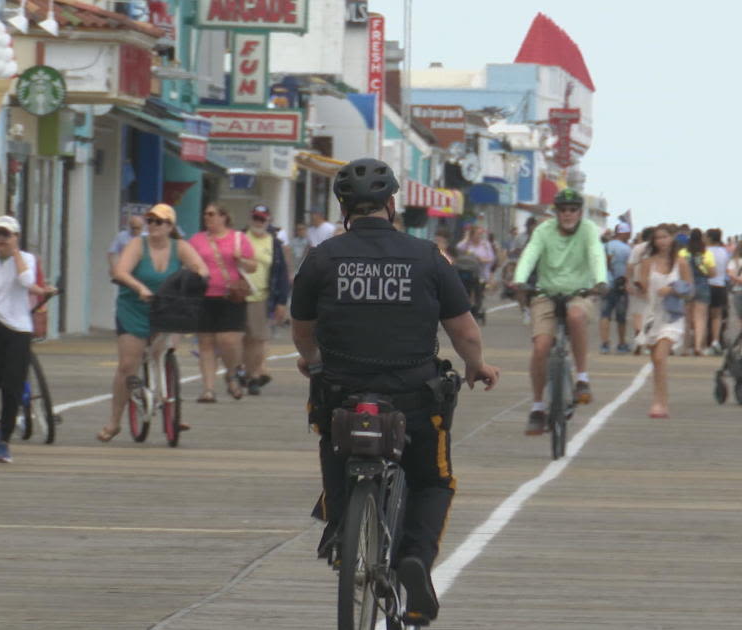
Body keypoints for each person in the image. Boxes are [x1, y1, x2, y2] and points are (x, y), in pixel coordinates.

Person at [291, 158, 499, 625]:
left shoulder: (321, 258)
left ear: (343, 207)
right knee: (432, 480)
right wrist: (476, 366)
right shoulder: (428, 257)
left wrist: (317, 364)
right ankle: (415, 560)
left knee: (330, 435)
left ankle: (345, 529)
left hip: (343, 395)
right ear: (391, 203)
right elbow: (464, 331)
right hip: (413, 397)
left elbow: (302, 332)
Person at [99, 204, 207, 441]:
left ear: (170, 226)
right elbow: (120, 272)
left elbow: (202, 270)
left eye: (159, 221)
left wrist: (190, 280)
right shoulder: (138, 244)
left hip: (166, 307)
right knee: (128, 365)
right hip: (135, 307)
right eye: (150, 221)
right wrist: (140, 288)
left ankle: (170, 409)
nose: (153, 226)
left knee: (162, 354)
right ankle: (114, 421)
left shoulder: (181, 247)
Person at [512, 188, 607, 435]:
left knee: (576, 317)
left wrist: (600, 280)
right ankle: (537, 406)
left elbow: (596, 255)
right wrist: (519, 279)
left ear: (580, 212)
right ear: (556, 212)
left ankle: (582, 378)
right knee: (541, 347)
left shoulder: (588, 230)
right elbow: (530, 254)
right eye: (562, 210)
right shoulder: (544, 230)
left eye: (573, 210)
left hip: (580, 293)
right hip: (547, 293)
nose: (567, 214)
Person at [0, 215, 56, 463]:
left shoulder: (26, 260)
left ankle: (3, 439)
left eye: (7, 235)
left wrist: (15, 254)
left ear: (16, 237)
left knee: (11, 387)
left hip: (18, 329)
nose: (1, 239)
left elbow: (27, 282)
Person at [188, 203, 257, 402]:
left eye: (211, 214)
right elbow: (187, 260)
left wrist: (241, 260)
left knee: (229, 340)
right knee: (206, 343)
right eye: (205, 214)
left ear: (224, 216)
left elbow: (253, 266)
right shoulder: (197, 240)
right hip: (204, 296)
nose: (207, 217)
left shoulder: (237, 238)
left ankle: (232, 373)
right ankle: (208, 389)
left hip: (231, 296)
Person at [636, 225, 692, 418]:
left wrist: (673, 289)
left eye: (665, 237)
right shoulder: (647, 263)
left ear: (672, 239)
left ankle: (660, 403)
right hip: (652, 316)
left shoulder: (680, 263)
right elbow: (642, 290)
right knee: (655, 361)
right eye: (658, 238)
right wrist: (635, 285)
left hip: (672, 316)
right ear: (653, 241)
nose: (662, 241)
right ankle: (660, 398)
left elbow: (690, 290)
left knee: (660, 357)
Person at [241, 205, 290, 395]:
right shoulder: (240, 238)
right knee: (240, 338)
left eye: (262, 219)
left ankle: (253, 375)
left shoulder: (274, 243)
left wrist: (281, 301)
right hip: (238, 295)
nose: (258, 222)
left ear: (268, 221)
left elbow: (281, 272)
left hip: (261, 296)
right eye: (255, 218)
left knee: (257, 339)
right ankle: (243, 371)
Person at [599, 223, 633, 354]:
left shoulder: (605, 246)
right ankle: (621, 343)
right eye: (628, 233)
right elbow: (630, 267)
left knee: (605, 314)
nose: (629, 235)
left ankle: (605, 343)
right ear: (623, 233)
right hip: (620, 284)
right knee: (621, 316)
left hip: (606, 283)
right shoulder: (626, 249)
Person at [684, 228, 714, 355]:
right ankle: (698, 346)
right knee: (700, 318)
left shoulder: (683, 253)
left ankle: (685, 348)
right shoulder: (706, 253)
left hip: (686, 285)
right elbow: (713, 273)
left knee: (686, 318)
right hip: (702, 284)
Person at [626, 226, 655, 353]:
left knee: (637, 311)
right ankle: (647, 340)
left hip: (637, 279)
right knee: (650, 312)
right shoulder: (655, 248)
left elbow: (630, 265)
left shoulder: (637, 248)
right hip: (652, 279)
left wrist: (628, 281)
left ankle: (638, 335)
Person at [706, 228, 730, 354]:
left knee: (705, 316)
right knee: (717, 315)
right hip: (720, 286)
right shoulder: (724, 252)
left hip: (707, 284)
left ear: (709, 238)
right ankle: (715, 340)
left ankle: (704, 341)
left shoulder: (705, 251)